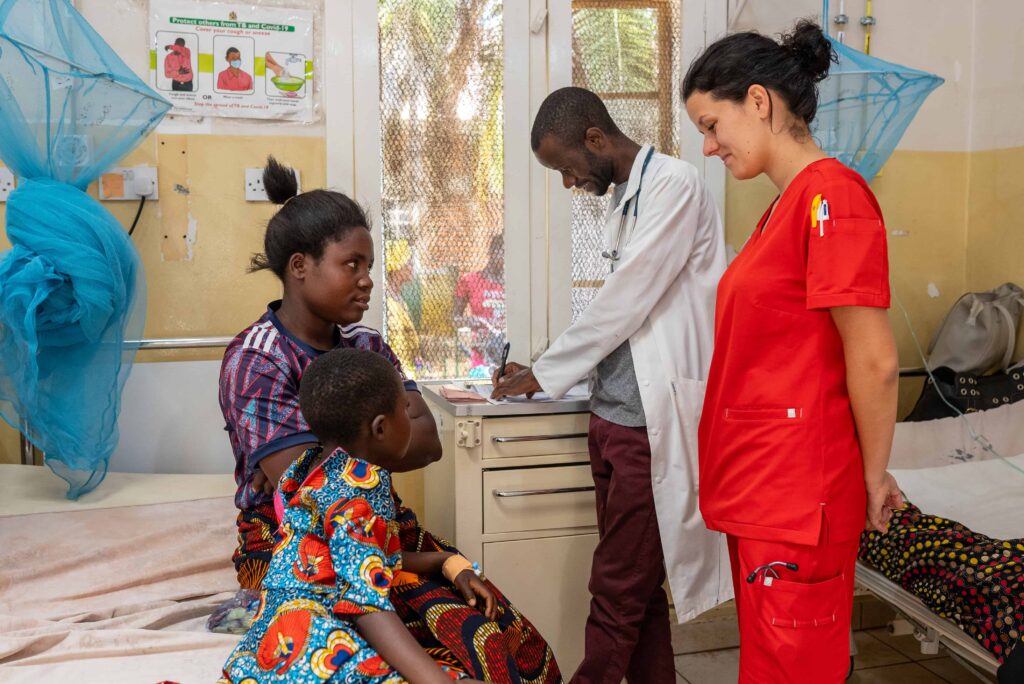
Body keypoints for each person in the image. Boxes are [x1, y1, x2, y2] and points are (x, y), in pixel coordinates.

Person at [218, 156, 561, 683]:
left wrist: (444, 559)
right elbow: (307, 481)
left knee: (502, 631)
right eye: (351, 264)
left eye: (369, 266)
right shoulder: (257, 359)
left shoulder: (367, 346)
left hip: (382, 524)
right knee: (437, 643)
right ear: (300, 266)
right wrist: (380, 440)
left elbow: (427, 443)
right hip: (289, 538)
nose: (367, 281)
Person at [682, 20, 904, 683]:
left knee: (795, 672)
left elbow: (875, 360)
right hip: (767, 493)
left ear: (758, 101)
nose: (709, 145)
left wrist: (873, 473)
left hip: (797, 499)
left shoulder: (830, 199)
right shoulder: (787, 207)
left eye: (712, 124)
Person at [493, 87, 729, 683]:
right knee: (639, 590)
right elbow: (614, 313)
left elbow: (627, 299)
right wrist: (541, 366)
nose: (569, 183)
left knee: (617, 589)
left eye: (567, 168)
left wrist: (542, 374)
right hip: (614, 417)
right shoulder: (625, 197)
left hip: (652, 426)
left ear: (595, 140)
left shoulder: (673, 185)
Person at [219, 348, 487, 683]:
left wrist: (445, 562)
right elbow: (365, 605)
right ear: (380, 428)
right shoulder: (359, 491)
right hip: (315, 645)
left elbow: (364, 558)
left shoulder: (310, 470)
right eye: (405, 409)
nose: (411, 417)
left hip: (275, 639)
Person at [454, 233, 505, 370]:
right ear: (492, 252)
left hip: (507, 350)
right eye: (501, 252)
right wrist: (471, 321)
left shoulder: (513, 284)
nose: (504, 259)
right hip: (481, 353)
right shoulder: (469, 280)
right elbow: (454, 318)